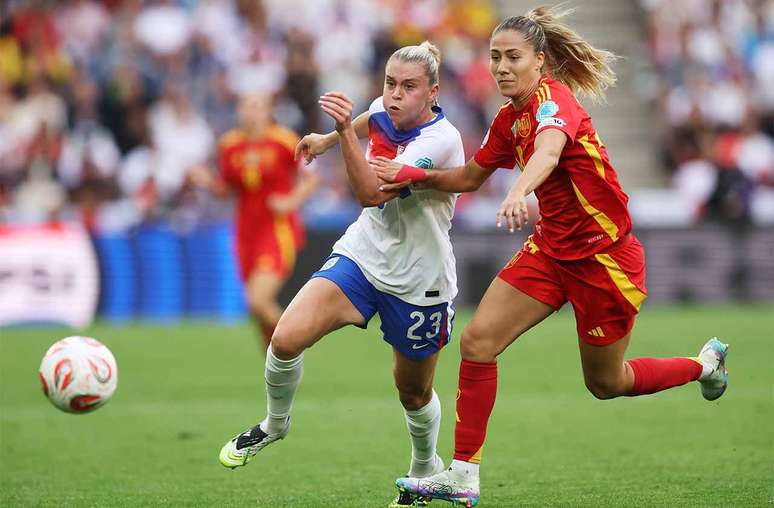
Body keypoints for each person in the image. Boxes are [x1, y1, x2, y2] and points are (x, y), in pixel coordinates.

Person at [372, 8, 730, 507]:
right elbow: (472, 177)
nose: (500, 67)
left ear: (540, 61)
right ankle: (463, 474)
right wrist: (416, 176)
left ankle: (702, 365)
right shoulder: (505, 118)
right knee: (476, 342)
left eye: (512, 57)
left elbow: (546, 153)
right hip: (551, 252)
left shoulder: (553, 102)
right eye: (494, 56)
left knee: (607, 383)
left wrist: (520, 190)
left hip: (605, 260)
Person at [217, 42, 466, 508]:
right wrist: (328, 140)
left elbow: (371, 193)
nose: (394, 95)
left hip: (419, 278)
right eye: (390, 83)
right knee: (285, 338)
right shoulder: (381, 108)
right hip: (364, 255)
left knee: (413, 391)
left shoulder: (441, 140)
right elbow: (370, 119)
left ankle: (425, 467)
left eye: (408, 87)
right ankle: (275, 424)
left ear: (433, 92)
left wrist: (340, 134)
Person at [189, 91, 318, 350]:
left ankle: (298, 343)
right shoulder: (229, 145)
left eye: (257, 106)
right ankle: (277, 363)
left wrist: (291, 201)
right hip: (246, 232)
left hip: (276, 229)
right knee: (256, 309)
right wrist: (206, 182)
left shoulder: (284, 141)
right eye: (246, 106)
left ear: (268, 111)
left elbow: (311, 178)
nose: (251, 112)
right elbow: (227, 189)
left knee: (258, 300)